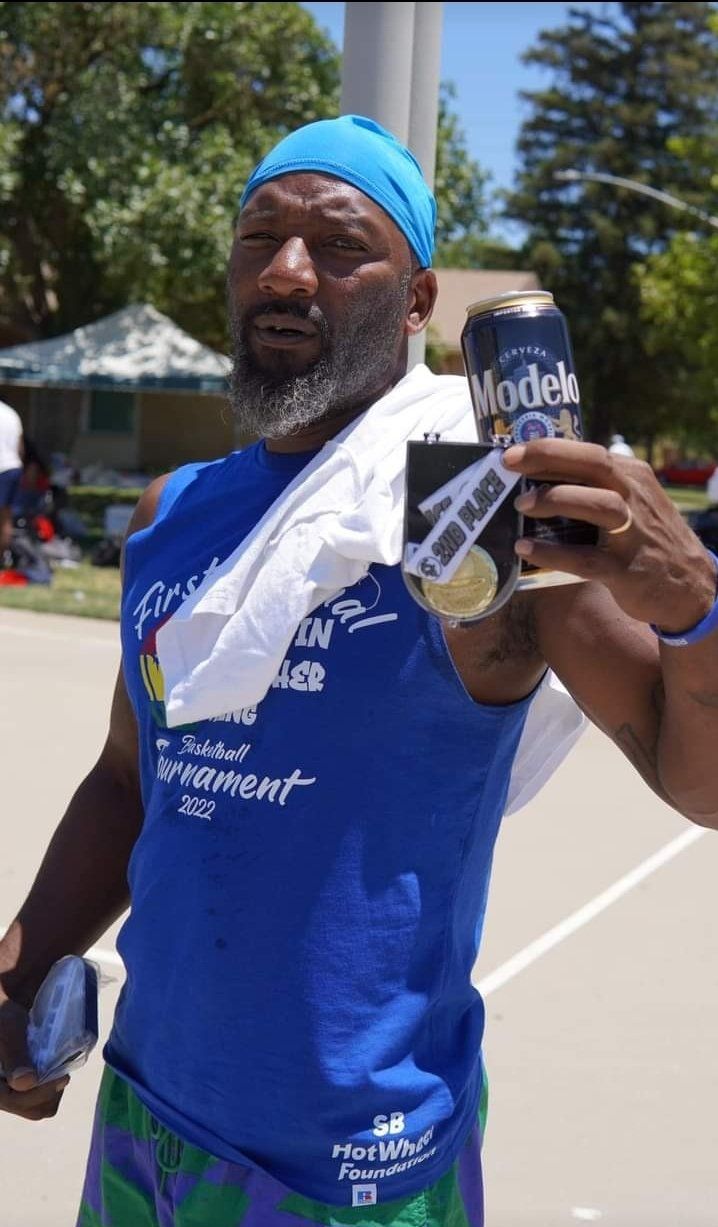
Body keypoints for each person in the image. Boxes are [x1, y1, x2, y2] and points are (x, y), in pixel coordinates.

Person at [1, 116, 718, 1227]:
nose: (287, 270)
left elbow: (699, 786)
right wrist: (25, 963)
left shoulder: (475, 509)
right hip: (149, 1123)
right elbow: (128, 777)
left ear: (419, 300)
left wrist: (691, 604)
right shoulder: (174, 512)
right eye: (259, 238)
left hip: (352, 1174)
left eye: (340, 245)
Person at [0, 396, 24, 557]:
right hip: (13, 467)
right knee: (6, 517)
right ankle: (2, 557)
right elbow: (20, 448)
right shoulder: (11, 413)